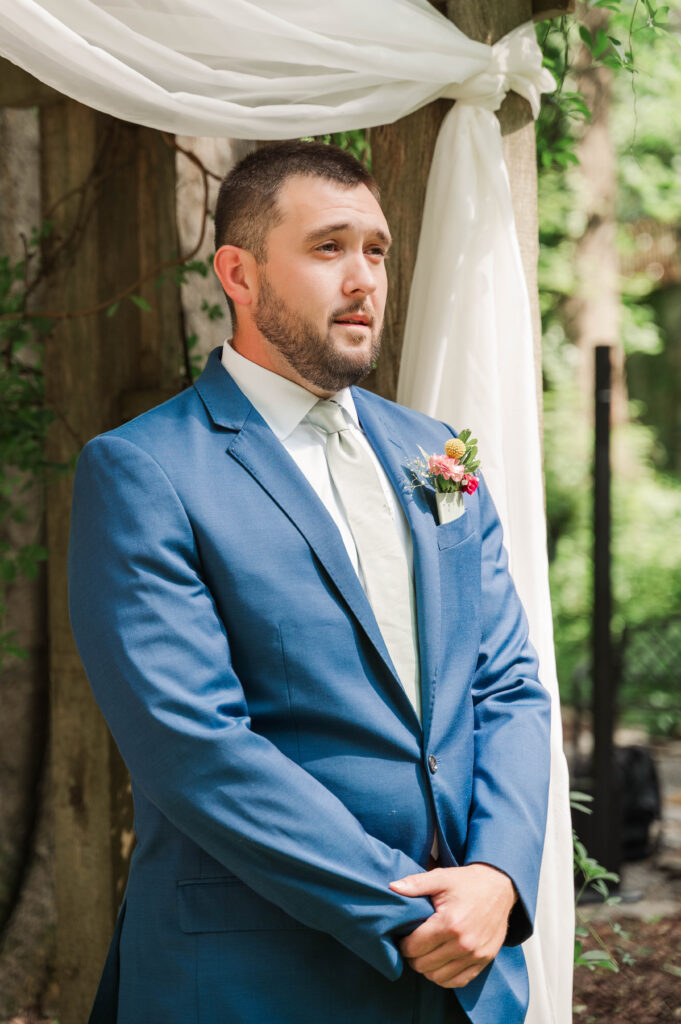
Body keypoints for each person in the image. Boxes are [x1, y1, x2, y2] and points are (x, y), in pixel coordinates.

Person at [68, 140, 551, 1024]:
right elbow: (194, 745)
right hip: (257, 975)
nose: (363, 277)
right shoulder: (144, 470)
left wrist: (495, 877)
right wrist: (406, 913)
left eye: (375, 249)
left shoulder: (433, 451)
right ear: (239, 273)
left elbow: (508, 685)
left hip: (466, 973)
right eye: (328, 247)